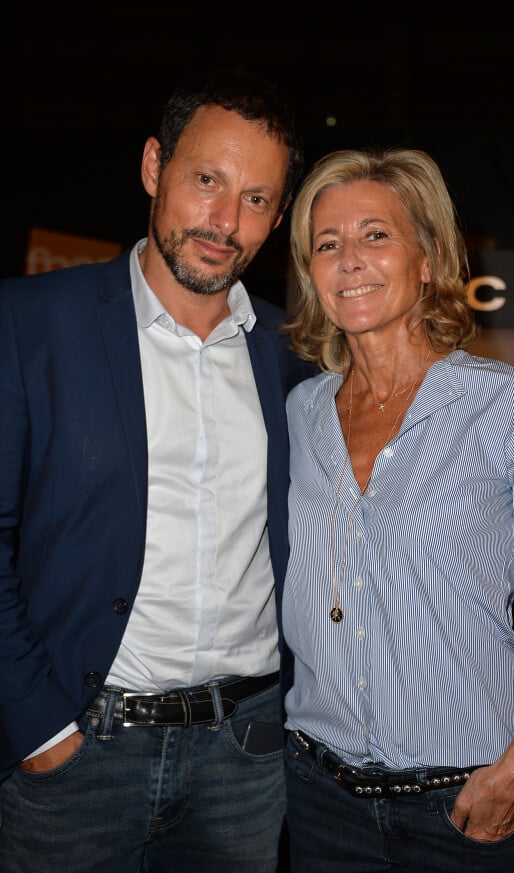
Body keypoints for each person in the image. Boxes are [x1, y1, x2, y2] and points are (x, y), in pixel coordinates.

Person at [0, 70, 314, 873]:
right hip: (76, 751)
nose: (224, 219)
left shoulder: (295, 357)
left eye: (255, 198)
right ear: (153, 168)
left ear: (277, 218)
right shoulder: (29, 322)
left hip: (245, 759)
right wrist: (38, 729)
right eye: (207, 179)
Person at [280, 146, 514, 872]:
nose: (349, 259)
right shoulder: (300, 411)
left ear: (427, 258)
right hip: (319, 798)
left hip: (468, 802)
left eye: (375, 235)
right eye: (328, 243)